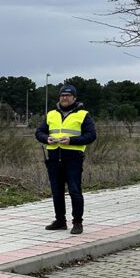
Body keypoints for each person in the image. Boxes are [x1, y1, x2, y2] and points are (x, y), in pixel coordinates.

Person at [35, 84, 97, 234]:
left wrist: (71, 140)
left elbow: (91, 135)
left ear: (74, 98)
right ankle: (60, 221)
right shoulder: (51, 114)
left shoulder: (83, 115)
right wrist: (46, 138)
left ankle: (77, 222)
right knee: (57, 191)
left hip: (73, 158)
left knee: (75, 191)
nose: (64, 98)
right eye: (62, 95)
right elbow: (39, 132)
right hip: (54, 157)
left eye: (68, 96)